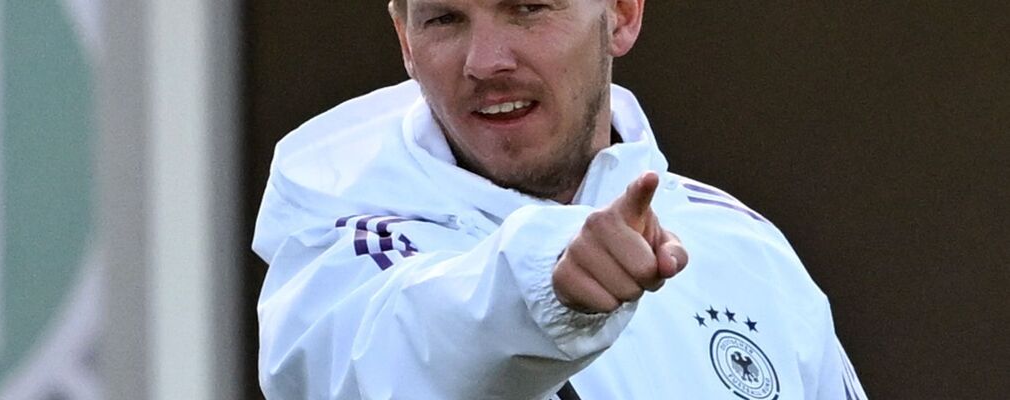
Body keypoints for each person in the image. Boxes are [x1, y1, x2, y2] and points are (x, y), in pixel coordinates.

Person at [251, 0, 868, 398]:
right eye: (444, 19)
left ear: (621, 14)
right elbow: (397, 363)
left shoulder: (745, 252)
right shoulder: (340, 249)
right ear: (406, 41)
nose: (485, 62)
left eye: (526, 8)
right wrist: (548, 287)